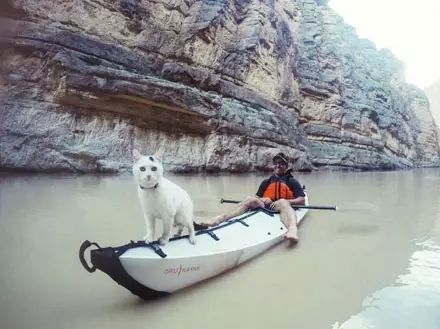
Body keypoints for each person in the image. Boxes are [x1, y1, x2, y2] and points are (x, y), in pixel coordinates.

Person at [198, 152, 306, 243]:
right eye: (276, 163)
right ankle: (217, 220)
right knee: (250, 198)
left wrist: (286, 201)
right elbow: (257, 197)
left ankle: (292, 231)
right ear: (273, 166)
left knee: (282, 201)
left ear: (286, 166)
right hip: (267, 206)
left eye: (281, 164)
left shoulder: (291, 181)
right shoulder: (266, 182)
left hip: (281, 206)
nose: (278, 166)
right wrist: (263, 200)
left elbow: (302, 200)